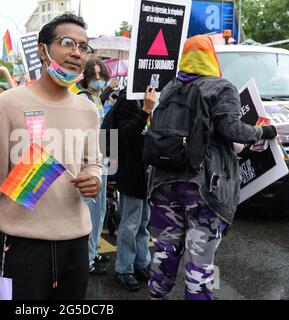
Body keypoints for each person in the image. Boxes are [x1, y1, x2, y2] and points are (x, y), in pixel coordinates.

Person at [0, 13, 103, 300]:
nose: (76, 53)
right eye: (67, 42)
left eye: (83, 47)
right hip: (21, 243)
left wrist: (94, 177)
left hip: (76, 242)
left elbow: (95, 161)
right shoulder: (8, 103)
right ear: (43, 50)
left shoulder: (89, 110)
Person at [147, 35, 278, 300]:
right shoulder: (220, 87)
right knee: (200, 259)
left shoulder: (170, 88)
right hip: (203, 186)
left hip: (163, 181)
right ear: (211, 58)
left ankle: (156, 295)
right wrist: (266, 131)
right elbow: (232, 129)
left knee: (165, 248)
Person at [112, 86, 156, 292]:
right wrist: (145, 111)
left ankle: (141, 263)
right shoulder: (128, 100)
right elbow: (124, 135)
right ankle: (124, 269)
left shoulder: (153, 99)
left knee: (143, 223)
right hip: (131, 172)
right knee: (130, 223)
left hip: (147, 173)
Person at [76, 59, 112, 276]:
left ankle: (93, 250)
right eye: (94, 75)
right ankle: (86, 259)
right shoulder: (83, 99)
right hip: (89, 164)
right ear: (86, 77)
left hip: (104, 161)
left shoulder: (98, 99)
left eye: (101, 75)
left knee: (100, 210)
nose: (98, 79)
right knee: (90, 211)